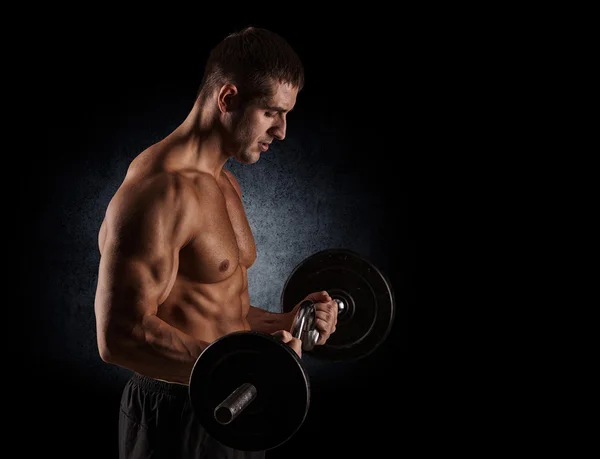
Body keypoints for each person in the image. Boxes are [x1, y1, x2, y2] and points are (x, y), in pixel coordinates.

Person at [93, 26, 339, 459]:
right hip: (174, 411)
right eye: (270, 113)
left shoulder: (225, 184)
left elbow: (223, 313)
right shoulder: (160, 190)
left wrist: (287, 322)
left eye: (286, 114)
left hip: (237, 396)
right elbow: (119, 334)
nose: (281, 131)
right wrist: (243, 366)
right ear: (227, 99)